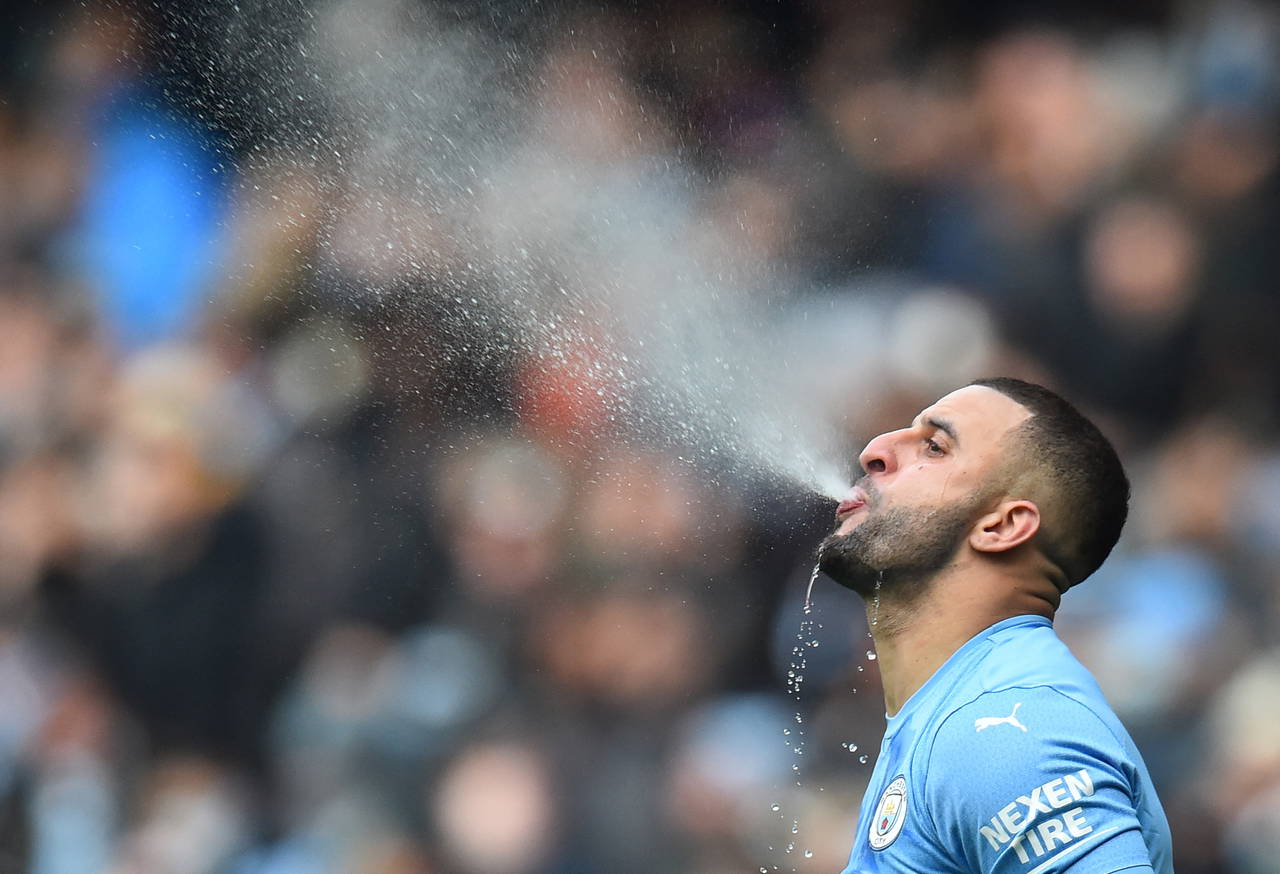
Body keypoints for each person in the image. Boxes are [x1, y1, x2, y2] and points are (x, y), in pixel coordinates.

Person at [818, 378, 1173, 873]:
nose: (875, 451)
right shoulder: (960, 714)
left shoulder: (1005, 731)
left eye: (935, 447)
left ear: (1002, 526)